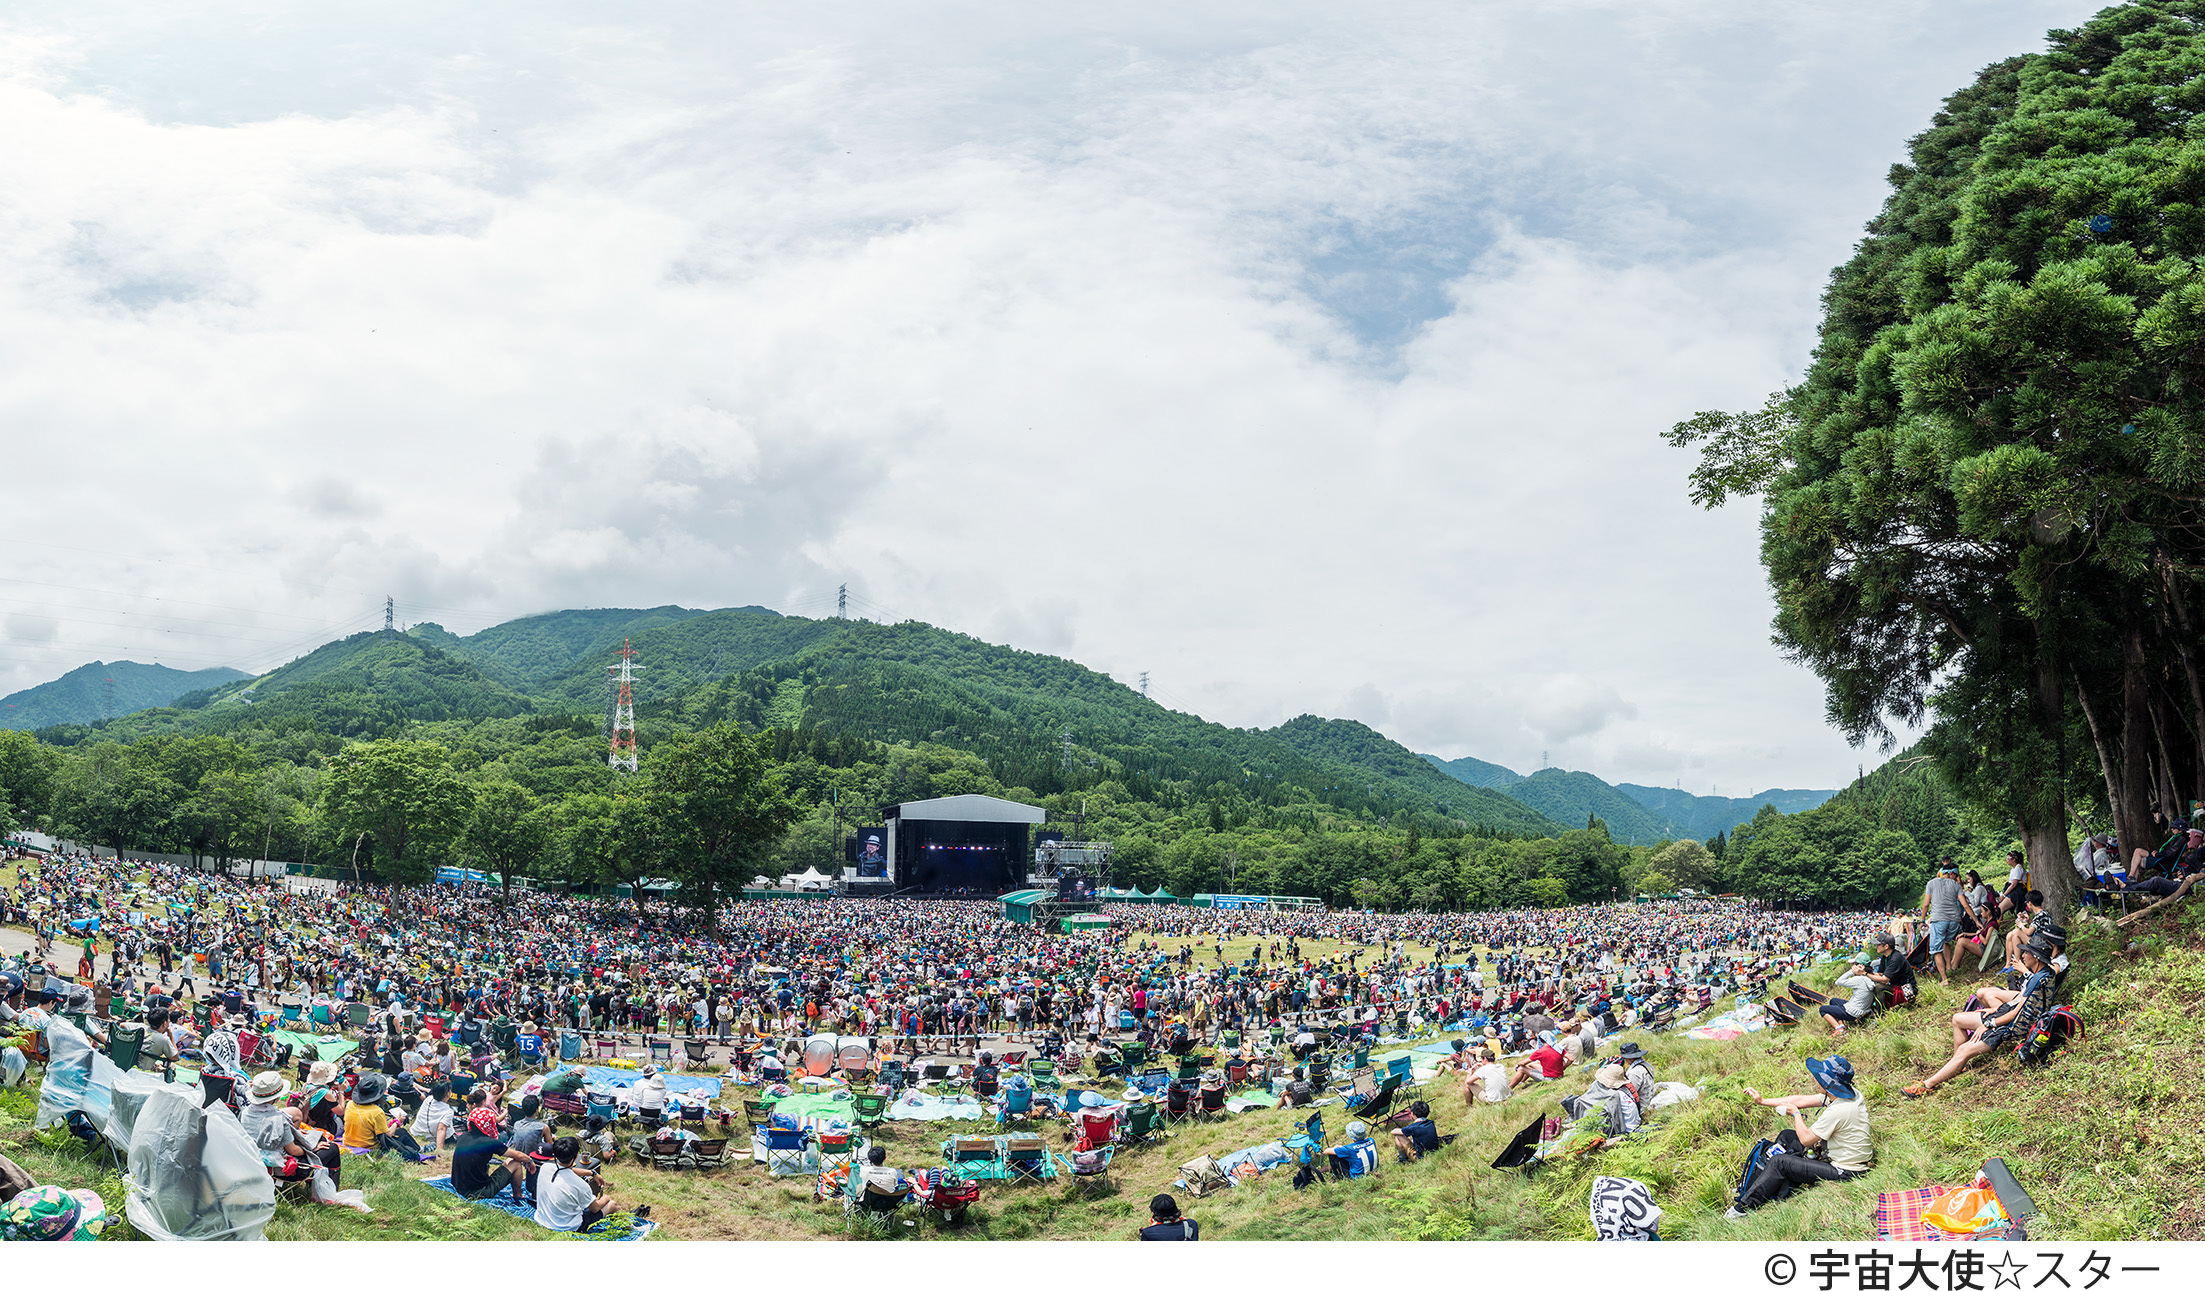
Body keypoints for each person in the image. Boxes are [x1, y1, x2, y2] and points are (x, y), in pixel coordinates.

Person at [1901, 937, 2058, 1098]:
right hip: (2010, 1016)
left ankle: (1927, 1085)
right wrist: (1996, 1009)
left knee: (1964, 1049)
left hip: (2013, 1026)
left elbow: (2016, 1013)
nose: (2023, 956)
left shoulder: (2037, 980)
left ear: (2036, 957)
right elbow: (2021, 1003)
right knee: (1957, 1019)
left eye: (2026, 952)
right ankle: (1957, 1065)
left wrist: (1989, 1024)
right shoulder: (2046, 973)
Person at [1726, 1056, 1872, 1219]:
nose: (1815, 1080)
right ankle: (1759, 1184)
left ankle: (1741, 1209)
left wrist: (1796, 1114)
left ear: (1828, 1084)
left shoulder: (1838, 1111)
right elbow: (1800, 1100)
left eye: (1820, 1077)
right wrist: (1762, 1101)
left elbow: (1806, 1139)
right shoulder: (1849, 1095)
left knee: (1779, 1162)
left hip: (1846, 1171)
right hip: (1849, 1159)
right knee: (1787, 1136)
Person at [532, 1137, 643, 1232]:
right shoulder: (580, 1185)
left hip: (543, 1218)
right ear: (576, 1157)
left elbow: (566, 1171)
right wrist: (605, 1198)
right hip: (568, 1226)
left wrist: (591, 1173)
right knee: (612, 1204)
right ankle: (631, 1225)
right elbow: (595, 1209)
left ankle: (625, 1219)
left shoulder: (545, 1167)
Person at [451, 1105, 535, 1203]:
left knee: (505, 1161)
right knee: (516, 1162)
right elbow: (518, 1156)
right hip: (480, 1192)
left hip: (459, 1188)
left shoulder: (463, 1137)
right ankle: (518, 1195)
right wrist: (530, 1160)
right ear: (489, 1124)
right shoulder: (489, 1142)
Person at [1918, 862, 1967, 985]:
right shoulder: (1956, 885)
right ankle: (1949, 967)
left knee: (1935, 950)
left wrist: (1922, 920)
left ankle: (1944, 979)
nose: (1956, 878)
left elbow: (1925, 905)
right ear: (1951, 873)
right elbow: (1965, 904)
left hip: (1939, 920)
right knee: (1945, 942)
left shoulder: (1931, 883)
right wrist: (1977, 921)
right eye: (1956, 875)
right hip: (1954, 921)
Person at [1820, 957, 1877, 1036]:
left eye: (1854, 965)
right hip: (1863, 1009)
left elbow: (1838, 982)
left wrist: (1852, 972)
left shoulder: (1859, 980)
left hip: (1853, 1012)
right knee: (1833, 1001)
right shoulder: (1871, 977)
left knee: (1822, 1009)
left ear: (1860, 966)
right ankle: (1841, 1025)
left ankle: (1839, 1029)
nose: (1852, 967)